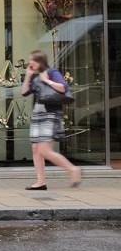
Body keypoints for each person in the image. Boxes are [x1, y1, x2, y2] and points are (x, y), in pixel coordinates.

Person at [21, 49, 81, 190]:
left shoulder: (52, 72)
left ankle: (73, 170)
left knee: (44, 149)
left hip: (51, 114)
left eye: (32, 61)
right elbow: (24, 92)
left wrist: (46, 80)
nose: (30, 63)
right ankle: (40, 182)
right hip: (38, 115)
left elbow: (62, 88)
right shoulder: (34, 75)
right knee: (36, 148)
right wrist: (28, 76)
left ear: (40, 62)